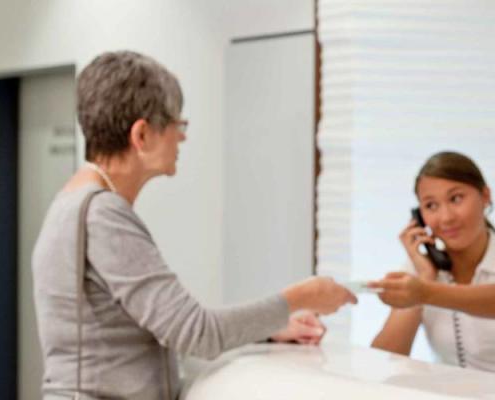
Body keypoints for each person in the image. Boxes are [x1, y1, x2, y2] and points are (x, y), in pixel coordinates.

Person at [32, 51, 357, 399]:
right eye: (177, 124)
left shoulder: (75, 204)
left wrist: (271, 327)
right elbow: (197, 333)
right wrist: (298, 298)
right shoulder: (103, 215)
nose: (182, 137)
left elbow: (170, 327)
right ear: (141, 135)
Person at [369, 151, 495, 381]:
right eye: (431, 205)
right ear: (419, 217)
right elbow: (384, 360)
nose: (445, 218)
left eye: (456, 199)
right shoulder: (422, 272)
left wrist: (424, 292)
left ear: (485, 196)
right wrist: (425, 276)